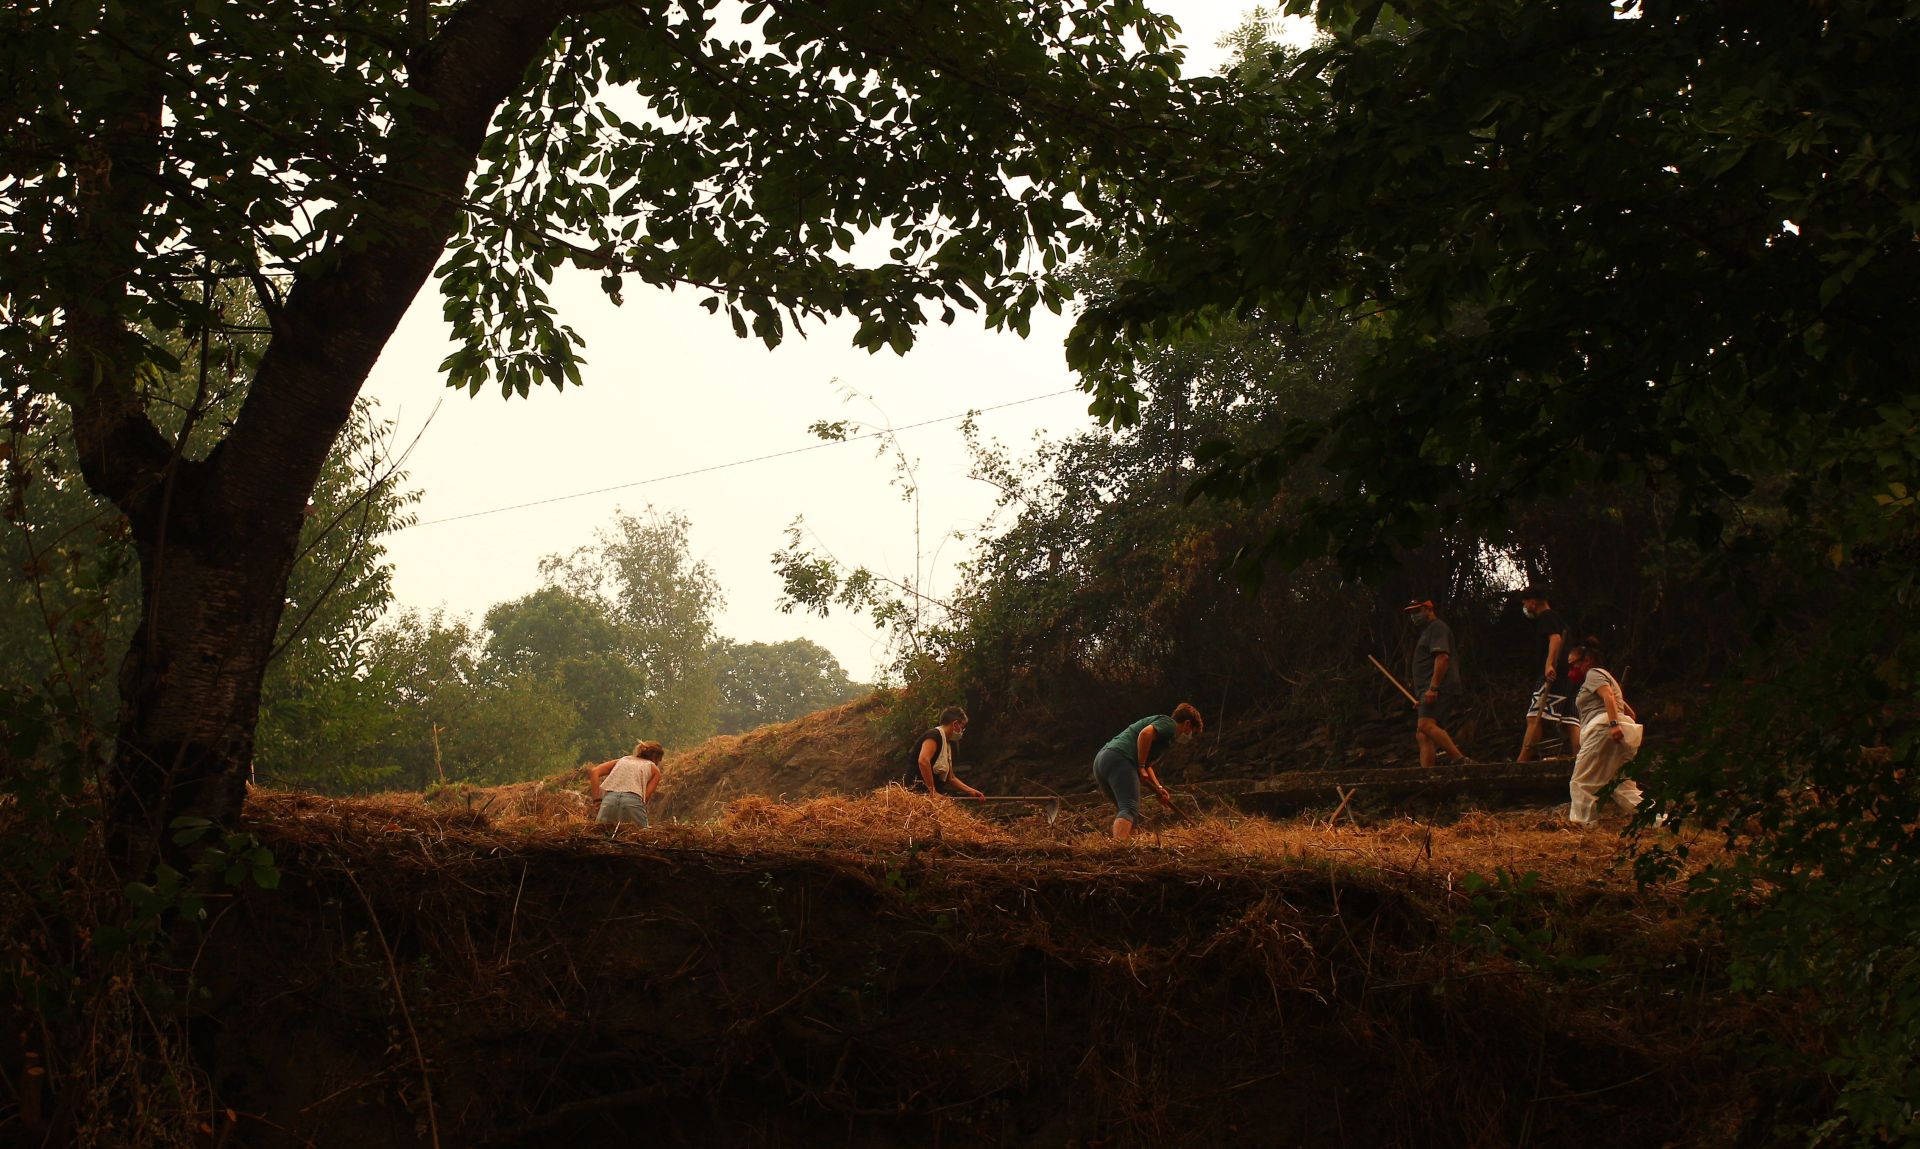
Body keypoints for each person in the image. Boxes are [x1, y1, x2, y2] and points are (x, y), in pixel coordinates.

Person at [1563, 639, 1646, 826]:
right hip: (1615, 730)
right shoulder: (1603, 678)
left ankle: (1581, 824)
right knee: (1622, 785)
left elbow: (1608, 696)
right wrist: (1618, 725)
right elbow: (1629, 712)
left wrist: (1613, 724)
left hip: (1602, 730)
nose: (1571, 670)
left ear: (1587, 660)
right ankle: (1657, 819)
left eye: (1573, 664)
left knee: (1581, 782)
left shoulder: (1594, 674)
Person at [1093, 703, 1202, 840]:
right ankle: (1118, 848)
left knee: (1129, 811)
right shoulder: (1169, 724)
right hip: (1120, 758)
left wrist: (1158, 788)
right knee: (1129, 807)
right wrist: (1140, 766)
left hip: (1103, 760)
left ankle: (1129, 848)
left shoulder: (1164, 738)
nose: (1190, 736)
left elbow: (1147, 765)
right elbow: (1145, 734)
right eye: (1192, 732)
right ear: (1187, 724)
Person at [1514, 587, 1581, 762]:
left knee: (1534, 716)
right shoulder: (1559, 619)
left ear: (1532, 602)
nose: (1525, 607)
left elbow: (1555, 639)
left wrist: (1549, 665)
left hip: (1554, 674)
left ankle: (1521, 761)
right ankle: (1580, 758)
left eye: (1525, 603)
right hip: (1569, 675)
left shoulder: (1546, 616)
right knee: (1570, 719)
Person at [1404, 599, 1468, 768]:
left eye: (1417, 611)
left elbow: (1442, 657)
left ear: (1429, 609)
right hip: (1429, 688)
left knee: (1425, 725)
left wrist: (1433, 688)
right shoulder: (1427, 631)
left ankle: (1461, 761)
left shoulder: (1437, 628)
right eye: (1411, 613)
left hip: (1439, 686)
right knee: (1423, 733)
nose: (1414, 616)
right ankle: (1428, 774)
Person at [908, 706, 985, 798]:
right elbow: (923, 761)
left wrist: (971, 791)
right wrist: (933, 791)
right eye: (962, 727)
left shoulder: (946, 743)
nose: (962, 731)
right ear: (955, 724)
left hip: (932, 796)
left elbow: (951, 778)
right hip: (917, 794)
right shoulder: (933, 735)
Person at [589, 740, 664, 826]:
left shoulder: (623, 760)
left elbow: (594, 771)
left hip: (609, 800)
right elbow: (645, 799)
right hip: (632, 801)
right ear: (656, 758)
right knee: (642, 833)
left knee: (601, 831)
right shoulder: (654, 769)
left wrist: (597, 800)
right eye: (659, 760)